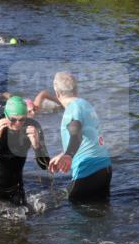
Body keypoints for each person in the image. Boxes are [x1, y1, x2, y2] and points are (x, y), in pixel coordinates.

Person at [48, 72, 112, 202]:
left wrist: (68, 155)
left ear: (57, 93)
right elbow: (87, 137)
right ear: (76, 89)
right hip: (105, 169)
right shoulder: (85, 104)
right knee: (101, 214)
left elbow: (76, 130)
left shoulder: (72, 108)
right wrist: (63, 154)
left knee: (75, 216)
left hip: (88, 172)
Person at [0, 96, 50, 206]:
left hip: (16, 187)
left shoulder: (33, 127)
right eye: (12, 120)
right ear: (5, 115)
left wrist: (37, 145)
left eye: (21, 119)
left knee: (25, 219)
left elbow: (45, 165)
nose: (17, 123)